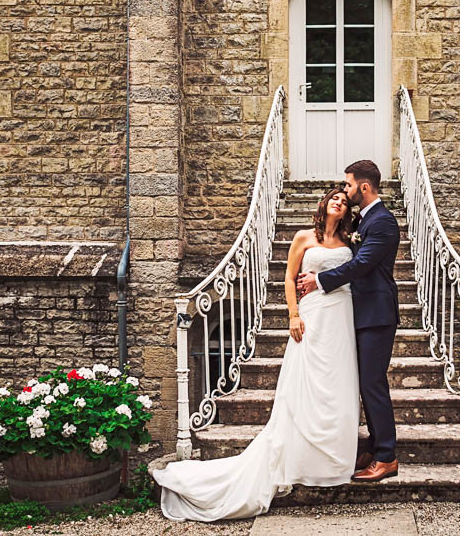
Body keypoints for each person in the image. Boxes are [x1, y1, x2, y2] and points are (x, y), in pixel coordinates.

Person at [151, 187, 360, 521]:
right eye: (334, 197)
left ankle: (331, 460)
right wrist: (293, 315)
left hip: (341, 315)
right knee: (306, 386)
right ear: (324, 204)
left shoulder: (350, 244)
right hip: (313, 315)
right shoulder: (304, 237)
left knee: (337, 384)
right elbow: (289, 280)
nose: (339, 201)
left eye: (345, 200)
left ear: (348, 211)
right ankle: (297, 458)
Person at [297, 159, 401, 482]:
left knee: (373, 383)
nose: (345, 189)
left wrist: (320, 280)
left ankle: (387, 457)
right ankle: (374, 445)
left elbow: (361, 266)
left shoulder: (382, 222)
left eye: (349, 185)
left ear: (364, 187)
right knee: (365, 383)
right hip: (360, 314)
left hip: (377, 315)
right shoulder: (362, 221)